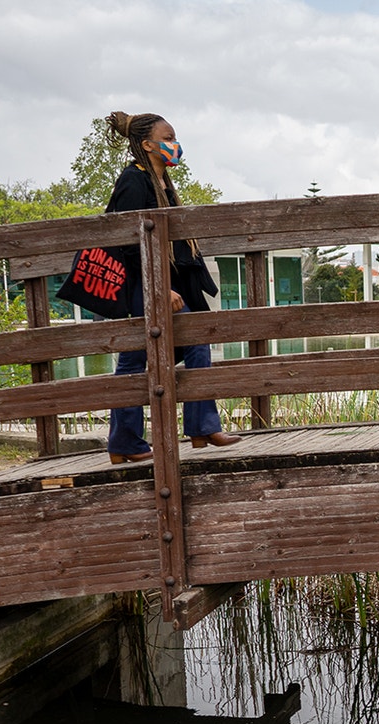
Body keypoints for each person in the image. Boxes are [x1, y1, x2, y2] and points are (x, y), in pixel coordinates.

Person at [102, 110, 238, 464]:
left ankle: (201, 427)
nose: (174, 145)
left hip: (166, 285)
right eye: (167, 139)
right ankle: (125, 442)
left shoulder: (163, 183)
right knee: (134, 361)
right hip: (143, 286)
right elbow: (129, 241)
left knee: (195, 342)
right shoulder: (134, 180)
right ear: (147, 145)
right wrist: (159, 287)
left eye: (174, 138)